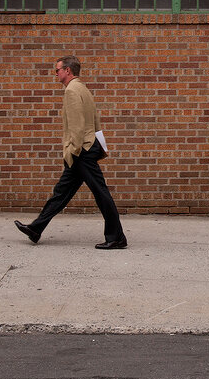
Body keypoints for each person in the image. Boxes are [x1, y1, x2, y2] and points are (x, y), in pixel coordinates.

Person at [14, 56, 128, 249]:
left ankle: (116, 237)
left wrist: (72, 151)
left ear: (68, 71)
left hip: (81, 150)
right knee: (62, 192)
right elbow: (95, 120)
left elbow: (76, 126)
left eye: (57, 70)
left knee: (101, 193)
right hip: (86, 147)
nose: (55, 73)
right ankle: (36, 229)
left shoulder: (72, 91)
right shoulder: (83, 88)